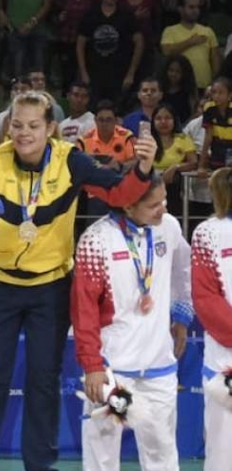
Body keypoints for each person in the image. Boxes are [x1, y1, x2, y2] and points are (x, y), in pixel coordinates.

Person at [0, 90, 154, 471]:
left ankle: (39, 465)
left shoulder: (71, 161)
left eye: (33, 126)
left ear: (51, 128)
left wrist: (142, 169)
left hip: (49, 287)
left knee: (43, 381)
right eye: (16, 125)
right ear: (6, 126)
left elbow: (120, 193)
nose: (24, 133)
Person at [72, 176, 190, 471]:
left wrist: (181, 316)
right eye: (153, 205)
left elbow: (183, 271)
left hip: (159, 365)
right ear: (127, 204)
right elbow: (83, 310)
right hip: (112, 369)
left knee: (163, 456)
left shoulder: (170, 227)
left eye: (164, 201)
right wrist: (92, 366)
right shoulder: (94, 240)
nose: (163, 209)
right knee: (102, 459)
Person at [191, 166, 232, 471]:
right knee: (222, 447)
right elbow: (205, 298)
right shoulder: (208, 233)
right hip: (224, 361)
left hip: (222, 352)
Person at [77, 0, 143, 105]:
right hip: (95, 71)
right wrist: (83, 72)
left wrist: (131, 73)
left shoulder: (126, 16)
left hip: (119, 72)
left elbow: (139, 42)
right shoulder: (91, 15)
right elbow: (80, 44)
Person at [161, 0, 221, 89]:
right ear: (180, 9)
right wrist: (190, 42)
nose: (195, 11)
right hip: (179, 86)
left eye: (197, 7)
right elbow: (166, 51)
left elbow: (215, 59)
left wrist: (215, 81)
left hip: (204, 85)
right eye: (191, 7)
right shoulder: (170, 31)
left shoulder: (207, 31)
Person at [152, 103, 198, 210]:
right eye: (159, 118)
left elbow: (193, 163)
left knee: (176, 180)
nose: (163, 122)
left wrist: (175, 167)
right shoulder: (147, 139)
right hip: (151, 182)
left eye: (168, 118)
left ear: (174, 120)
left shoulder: (183, 139)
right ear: (153, 121)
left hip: (175, 184)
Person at [199, 77, 232, 172]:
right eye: (214, 92)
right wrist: (201, 165)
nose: (217, 96)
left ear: (229, 95)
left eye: (221, 93)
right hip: (217, 152)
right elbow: (208, 137)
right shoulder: (209, 108)